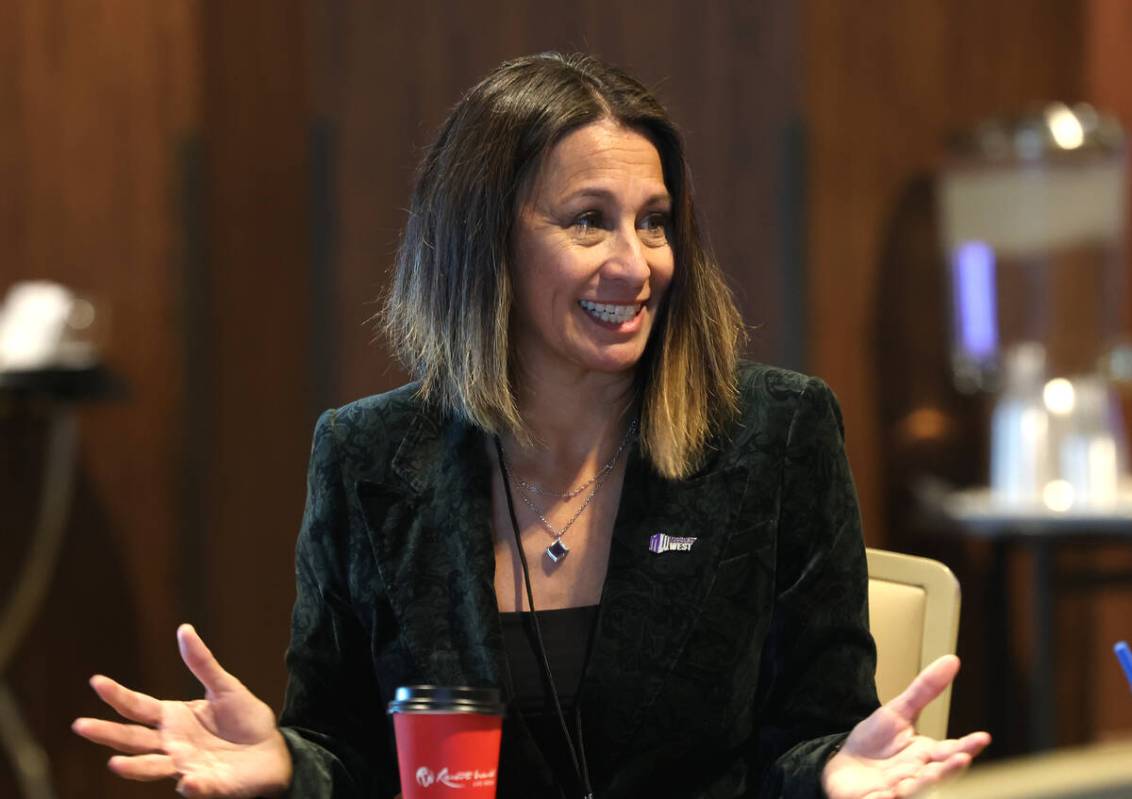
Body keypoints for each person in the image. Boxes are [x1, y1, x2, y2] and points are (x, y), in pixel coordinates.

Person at [72, 52, 989, 798]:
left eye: (656, 223)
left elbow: (808, 737)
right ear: (486, 242)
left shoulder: (774, 436)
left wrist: (834, 768)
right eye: (589, 221)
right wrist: (288, 764)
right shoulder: (368, 458)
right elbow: (348, 748)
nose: (636, 264)